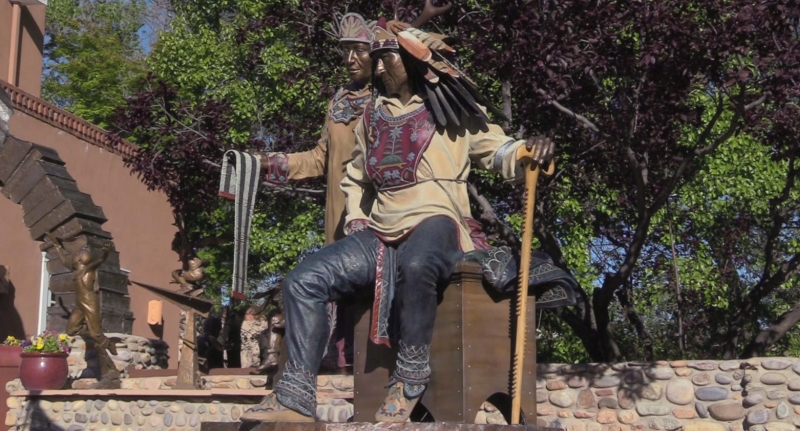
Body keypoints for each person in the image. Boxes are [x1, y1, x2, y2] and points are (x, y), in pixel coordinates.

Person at [240, 19, 555, 423]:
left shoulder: (453, 111)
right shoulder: (370, 116)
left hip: (438, 218)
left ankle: (409, 377)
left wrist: (530, 150)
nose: (378, 67)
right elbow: (355, 177)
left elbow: (500, 152)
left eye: (386, 58)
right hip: (379, 227)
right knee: (304, 280)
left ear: (412, 62)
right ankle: (295, 395)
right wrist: (356, 219)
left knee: (417, 263)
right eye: (377, 59)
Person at [49, 235, 121, 388]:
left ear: (82, 259)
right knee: (71, 329)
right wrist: (58, 247)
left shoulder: (89, 269)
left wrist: (105, 252)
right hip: (79, 305)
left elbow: (101, 261)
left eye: (79, 254)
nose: (77, 255)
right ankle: (96, 335)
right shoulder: (75, 271)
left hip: (90, 302)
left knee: (96, 334)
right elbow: (64, 260)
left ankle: (108, 347)